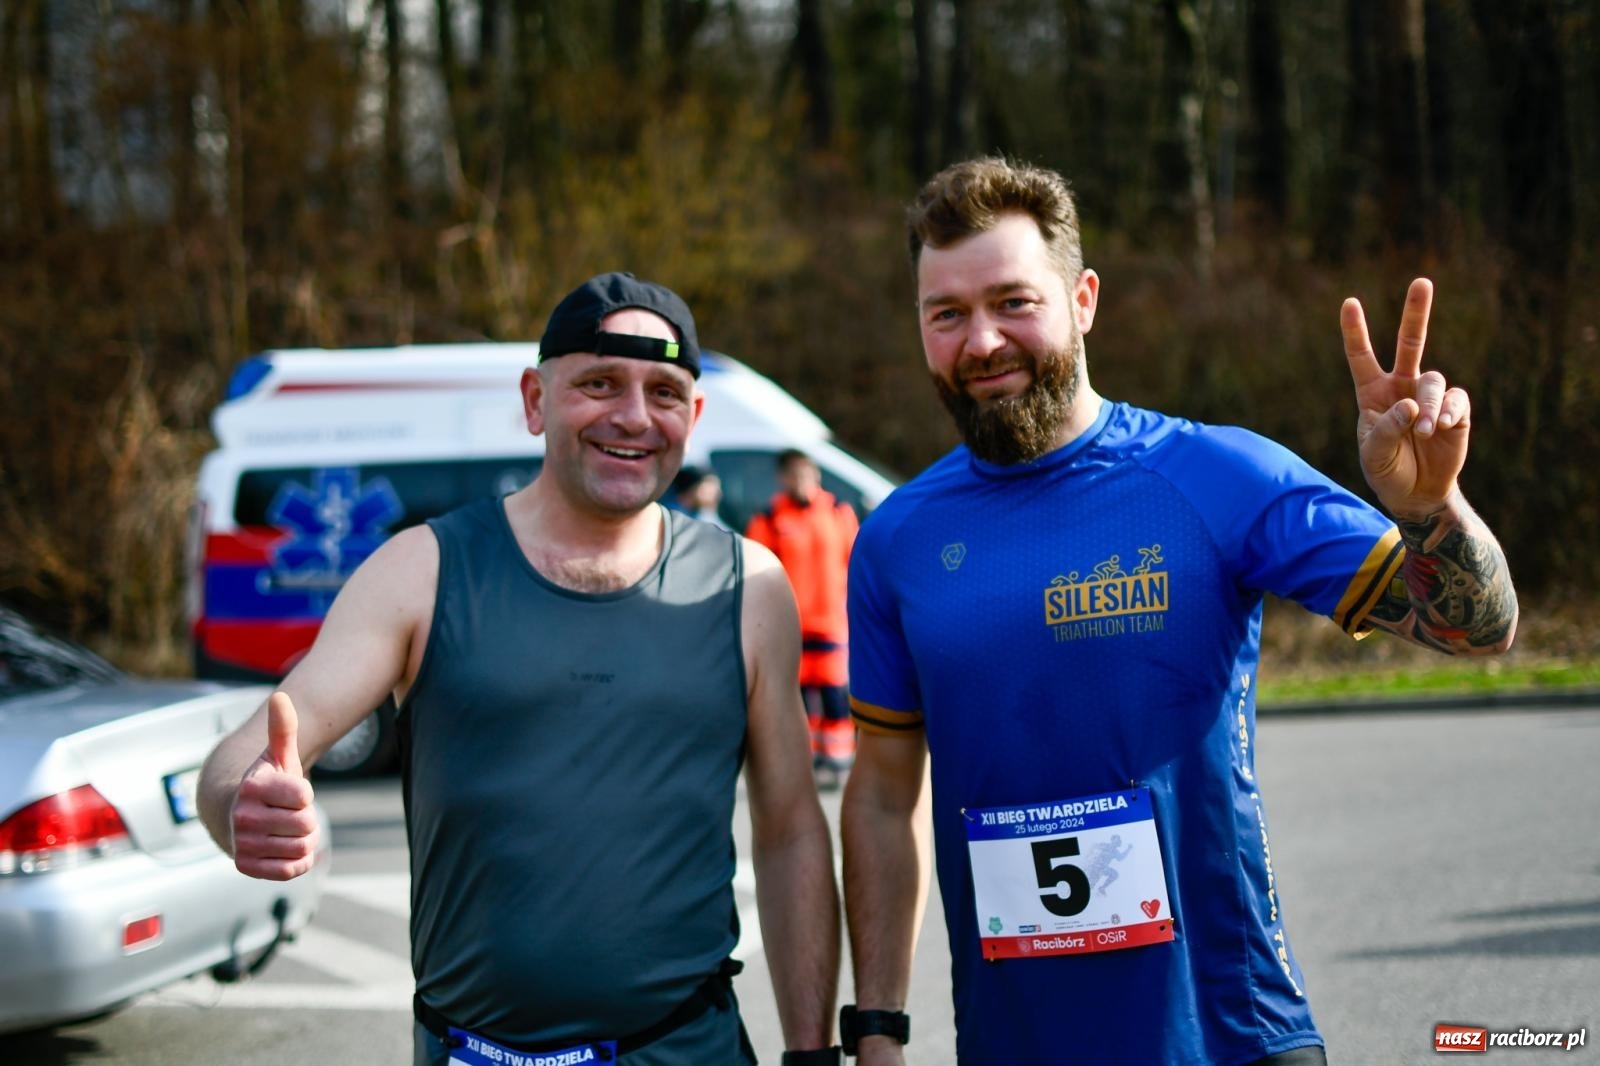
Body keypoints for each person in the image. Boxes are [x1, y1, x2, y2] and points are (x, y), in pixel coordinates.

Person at [838, 158, 1518, 1065]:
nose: (982, 340)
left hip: (1229, 1038)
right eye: (947, 314)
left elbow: (1477, 628)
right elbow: (884, 796)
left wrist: (1432, 509)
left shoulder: (1217, 477)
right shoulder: (897, 541)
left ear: (1083, 299)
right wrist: (878, 1027)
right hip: (1013, 1045)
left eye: (1013, 301)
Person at [199, 272, 845, 1066]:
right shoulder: (423, 569)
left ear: (694, 415)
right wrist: (239, 806)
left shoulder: (751, 586)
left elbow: (788, 832)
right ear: (536, 399)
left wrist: (813, 1052)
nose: (634, 417)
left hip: (687, 1048)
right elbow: (250, 750)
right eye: (599, 384)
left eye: (665, 392)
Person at [745, 449, 860, 784]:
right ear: (783, 479)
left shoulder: (838, 513)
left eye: (807, 474)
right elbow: (757, 570)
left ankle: (838, 761)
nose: (802, 482)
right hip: (788, 624)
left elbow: (855, 563)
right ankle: (800, 761)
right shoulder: (768, 518)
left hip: (831, 624)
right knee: (793, 695)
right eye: (794, 475)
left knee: (834, 693)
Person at [671, 463, 730, 529]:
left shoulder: (697, 515)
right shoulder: (672, 517)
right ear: (693, 488)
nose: (718, 495)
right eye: (711, 488)